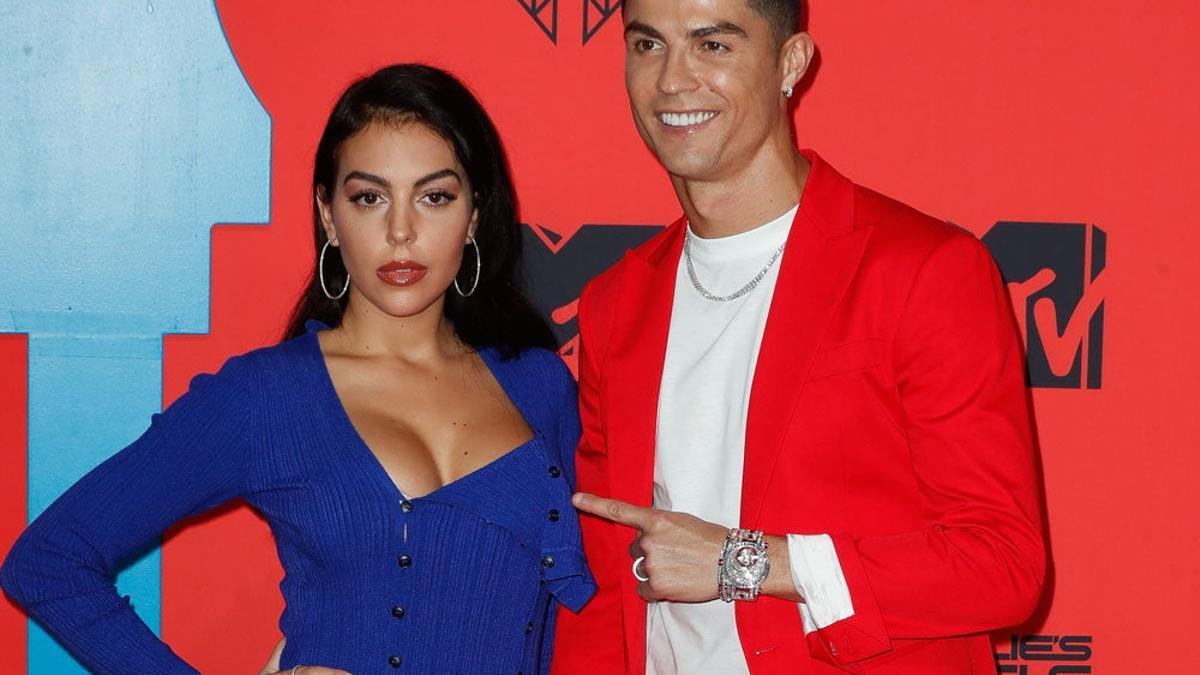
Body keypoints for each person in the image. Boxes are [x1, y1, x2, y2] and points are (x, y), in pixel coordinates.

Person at [1, 63, 595, 674]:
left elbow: (582, 620)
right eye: (369, 197)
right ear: (329, 216)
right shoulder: (266, 397)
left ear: (473, 215)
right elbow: (48, 561)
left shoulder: (541, 385)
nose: (400, 231)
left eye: (434, 196)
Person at [553, 0, 1046, 672]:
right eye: (648, 45)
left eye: (713, 44)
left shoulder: (922, 269)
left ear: (791, 63)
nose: (671, 79)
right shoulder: (616, 302)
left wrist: (744, 562)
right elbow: (612, 595)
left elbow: (1003, 565)